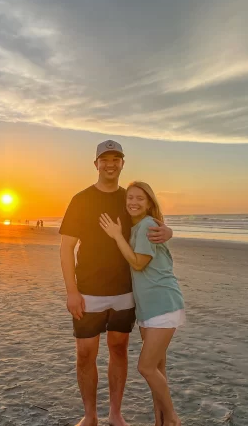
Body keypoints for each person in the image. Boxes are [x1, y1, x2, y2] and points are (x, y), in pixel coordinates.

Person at [59, 140, 173, 426]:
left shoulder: (128, 199)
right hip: (87, 290)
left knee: (119, 348)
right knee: (85, 354)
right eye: (104, 159)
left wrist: (167, 230)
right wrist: (71, 291)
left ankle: (115, 413)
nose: (110, 164)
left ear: (123, 163)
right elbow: (65, 248)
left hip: (125, 290)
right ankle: (89, 415)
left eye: (116, 159)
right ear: (95, 163)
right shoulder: (81, 199)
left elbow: (151, 221)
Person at [100, 181, 184, 426]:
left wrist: (116, 236)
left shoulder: (147, 225)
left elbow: (138, 263)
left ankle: (172, 419)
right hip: (148, 309)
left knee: (146, 368)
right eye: (130, 198)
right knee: (158, 369)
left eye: (140, 198)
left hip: (163, 304)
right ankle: (160, 422)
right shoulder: (136, 227)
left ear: (149, 203)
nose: (133, 202)